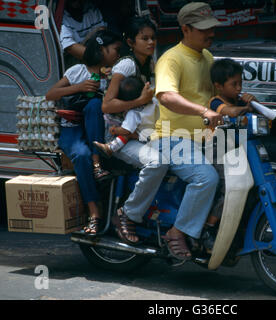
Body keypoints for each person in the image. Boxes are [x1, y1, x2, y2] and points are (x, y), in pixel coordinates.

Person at [150, 2, 222, 260]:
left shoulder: (207, 58)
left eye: (212, 28)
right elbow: (167, 97)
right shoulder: (171, 59)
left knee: (239, 173)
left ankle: (210, 231)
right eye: (204, 30)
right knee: (207, 178)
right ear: (185, 29)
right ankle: (177, 232)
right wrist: (204, 112)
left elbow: (214, 99)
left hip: (206, 138)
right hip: (172, 137)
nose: (210, 34)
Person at [46, 30, 122, 236]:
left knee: (95, 105)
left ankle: (97, 163)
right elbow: (50, 94)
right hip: (72, 128)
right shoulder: (77, 70)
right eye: (114, 49)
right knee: (80, 155)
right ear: (101, 50)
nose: (118, 53)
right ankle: (94, 212)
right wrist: (78, 87)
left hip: (98, 129)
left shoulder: (113, 75)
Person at [101, 17, 169, 245]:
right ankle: (127, 214)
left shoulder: (149, 62)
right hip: (118, 134)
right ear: (131, 41)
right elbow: (107, 105)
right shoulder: (126, 65)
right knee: (157, 162)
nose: (151, 42)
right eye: (144, 38)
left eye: (153, 38)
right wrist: (139, 100)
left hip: (141, 131)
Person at [203, 58, 256, 245]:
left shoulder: (238, 100)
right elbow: (230, 112)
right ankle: (209, 226)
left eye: (240, 83)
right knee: (228, 185)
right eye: (234, 84)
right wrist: (245, 108)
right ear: (218, 86)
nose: (238, 87)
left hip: (233, 150)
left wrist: (253, 102)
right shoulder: (215, 102)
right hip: (215, 150)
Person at [93, 76, 159, 156]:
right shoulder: (154, 101)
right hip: (157, 133)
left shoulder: (133, 113)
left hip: (143, 137)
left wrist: (115, 130)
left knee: (126, 135)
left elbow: (126, 130)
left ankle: (110, 148)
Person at [60, 0, 107, 66]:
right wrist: (100, 59)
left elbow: (102, 32)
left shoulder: (91, 8)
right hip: (73, 59)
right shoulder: (61, 16)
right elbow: (71, 48)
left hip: (94, 53)